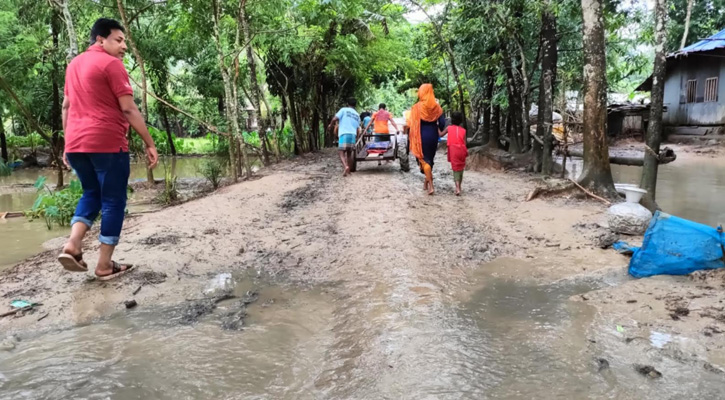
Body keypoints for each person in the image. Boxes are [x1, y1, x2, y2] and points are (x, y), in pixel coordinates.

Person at [57, 18, 158, 280]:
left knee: (91, 192)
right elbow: (127, 108)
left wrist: (67, 144)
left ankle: (73, 244)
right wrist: (149, 142)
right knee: (113, 200)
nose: (124, 46)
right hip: (106, 142)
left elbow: (66, 107)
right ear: (100, 40)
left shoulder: (74, 64)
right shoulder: (112, 64)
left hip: (76, 143)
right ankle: (104, 265)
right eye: (119, 40)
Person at [407, 84, 446, 195]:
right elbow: (442, 123)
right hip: (433, 135)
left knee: (424, 160)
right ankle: (426, 183)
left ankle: (431, 186)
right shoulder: (437, 107)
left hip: (421, 135)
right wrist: (437, 128)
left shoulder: (417, 107)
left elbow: (411, 124)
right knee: (429, 159)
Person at [328, 97, 361, 176]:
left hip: (344, 133)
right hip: (353, 134)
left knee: (341, 152)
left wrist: (330, 125)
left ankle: (345, 166)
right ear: (355, 105)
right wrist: (356, 137)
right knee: (349, 153)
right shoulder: (357, 115)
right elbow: (358, 128)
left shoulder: (343, 110)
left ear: (347, 104)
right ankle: (348, 169)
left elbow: (335, 119)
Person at [439, 111, 468, 195]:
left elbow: (440, 135)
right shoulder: (464, 130)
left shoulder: (449, 128)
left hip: (453, 150)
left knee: (455, 169)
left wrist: (436, 126)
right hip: (462, 149)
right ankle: (460, 186)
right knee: (461, 168)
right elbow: (465, 143)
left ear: (452, 120)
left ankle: (457, 188)